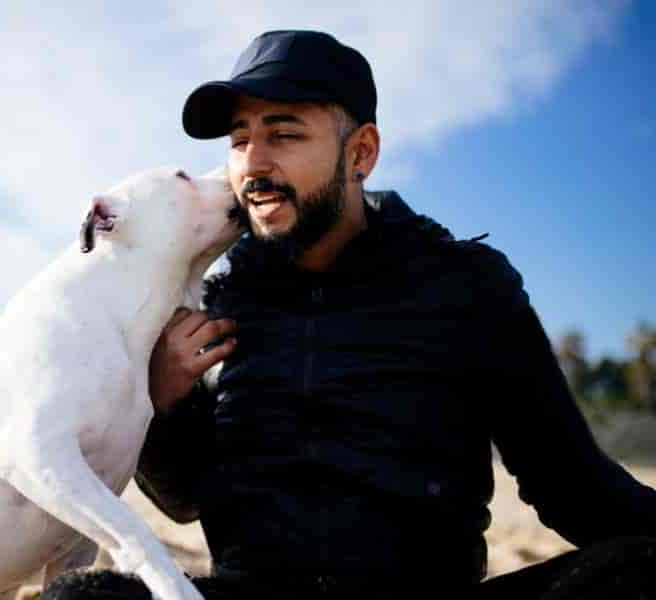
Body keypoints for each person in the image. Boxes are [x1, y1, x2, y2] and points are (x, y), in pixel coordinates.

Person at [42, 30, 656, 599]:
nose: (253, 164)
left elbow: (573, 489)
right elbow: (183, 501)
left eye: (284, 135)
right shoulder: (216, 296)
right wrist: (163, 402)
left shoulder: (465, 284)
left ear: (360, 152)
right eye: (238, 140)